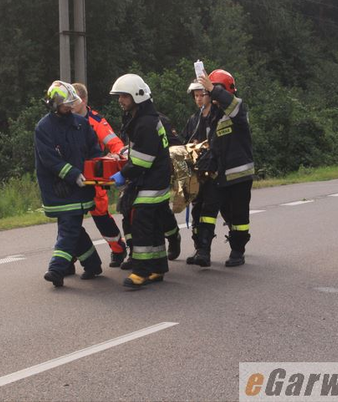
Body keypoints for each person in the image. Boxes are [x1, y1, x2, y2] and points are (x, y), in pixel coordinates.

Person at [35, 81, 104, 287]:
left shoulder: (80, 123)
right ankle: (80, 265)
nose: (70, 107)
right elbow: (49, 159)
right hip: (59, 189)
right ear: (54, 104)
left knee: (70, 228)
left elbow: (94, 149)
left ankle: (66, 268)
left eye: (71, 103)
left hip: (82, 187)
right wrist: (73, 174)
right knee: (71, 228)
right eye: (66, 104)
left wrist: (96, 170)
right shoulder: (43, 128)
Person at [109, 74, 175, 288]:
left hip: (150, 184)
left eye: (124, 96)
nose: (121, 100)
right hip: (156, 181)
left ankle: (141, 271)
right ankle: (157, 268)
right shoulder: (143, 118)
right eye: (119, 96)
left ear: (137, 96)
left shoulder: (145, 123)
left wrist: (123, 175)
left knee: (141, 227)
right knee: (155, 226)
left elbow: (142, 162)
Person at [188, 69, 254, 268]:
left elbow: (232, 105)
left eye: (211, 90)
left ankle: (237, 251)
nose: (207, 95)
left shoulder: (237, 108)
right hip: (218, 174)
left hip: (239, 175)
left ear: (221, 90)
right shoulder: (211, 114)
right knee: (208, 210)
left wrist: (212, 89)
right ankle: (203, 251)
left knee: (238, 216)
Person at [71, 83, 128, 268]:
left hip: (93, 176)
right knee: (69, 221)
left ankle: (118, 249)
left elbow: (115, 144)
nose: (71, 104)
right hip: (72, 177)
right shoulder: (63, 119)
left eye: (75, 100)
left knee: (101, 216)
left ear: (84, 100)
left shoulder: (95, 121)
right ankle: (69, 256)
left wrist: (116, 157)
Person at [182, 80, 216, 263]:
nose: (198, 99)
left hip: (213, 174)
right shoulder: (193, 120)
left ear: (210, 95)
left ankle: (205, 251)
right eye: (195, 96)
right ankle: (198, 249)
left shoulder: (217, 118)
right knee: (196, 211)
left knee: (208, 211)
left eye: (201, 95)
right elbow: (184, 144)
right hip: (196, 174)